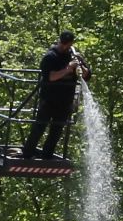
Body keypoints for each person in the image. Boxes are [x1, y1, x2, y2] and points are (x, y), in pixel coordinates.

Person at [22, 30, 87, 162]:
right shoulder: (50, 57)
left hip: (65, 101)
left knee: (57, 130)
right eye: (63, 43)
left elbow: (87, 76)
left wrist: (81, 65)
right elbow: (51, 77)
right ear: (60, 41)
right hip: (49, 100)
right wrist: (68, 69)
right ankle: (27, 153)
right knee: (39, 127)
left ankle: (47, 155)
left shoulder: (73, 56)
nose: (65, 46)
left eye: (67, 44)